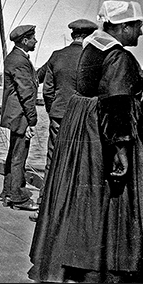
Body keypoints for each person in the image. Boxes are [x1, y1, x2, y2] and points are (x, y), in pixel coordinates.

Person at [28, 0, 143, 283]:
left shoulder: (92, 49)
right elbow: (116, 104)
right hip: (102, 137)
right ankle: (100, 267)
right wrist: (121, 150)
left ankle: (71, 264)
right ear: (122, 27)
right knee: (106, 200)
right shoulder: (119, 57)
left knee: (81, 199)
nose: (141, 34)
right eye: (137, 27)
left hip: (83, 134)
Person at [29, 18, 98, 222]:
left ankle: (45, 207)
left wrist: (54, 110)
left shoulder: (57, 56)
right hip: (86, 118)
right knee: (83, 160)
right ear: (90, 36)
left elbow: (47, 89)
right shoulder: (95, 57)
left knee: (54, 159)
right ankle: (77, 211)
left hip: (59, 116)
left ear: (72, 35)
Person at [0, 25, 40, 211]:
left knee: (13, 154)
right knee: (19, 156)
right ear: (25, 40)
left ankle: (8, 191)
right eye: (33, 38)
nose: (35, 41)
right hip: (20, 115)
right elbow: (26, 93)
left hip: (14, 114)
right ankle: (17, 197)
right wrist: (32, 120)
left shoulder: (15, 58)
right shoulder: (20, 60)